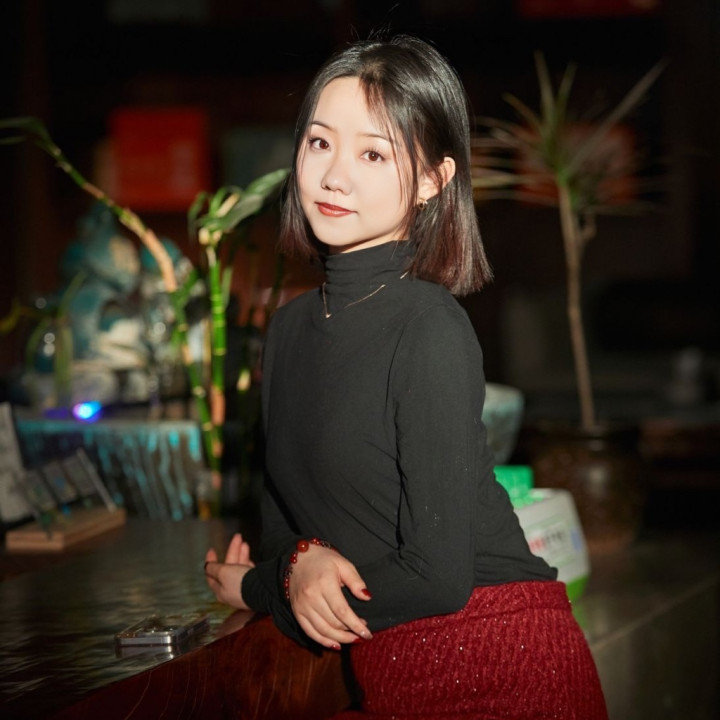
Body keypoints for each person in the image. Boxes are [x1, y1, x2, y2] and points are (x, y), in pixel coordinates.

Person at [205, 34, 608, 720]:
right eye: (319, 142)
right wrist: (297, 563)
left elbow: (437, 579)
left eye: (373, 154)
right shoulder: (289, 330)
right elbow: (280, 527)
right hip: (392, 676)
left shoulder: (429, 327)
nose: (334, 177)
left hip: (503, 664)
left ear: (432, 180)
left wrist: (258, 589)